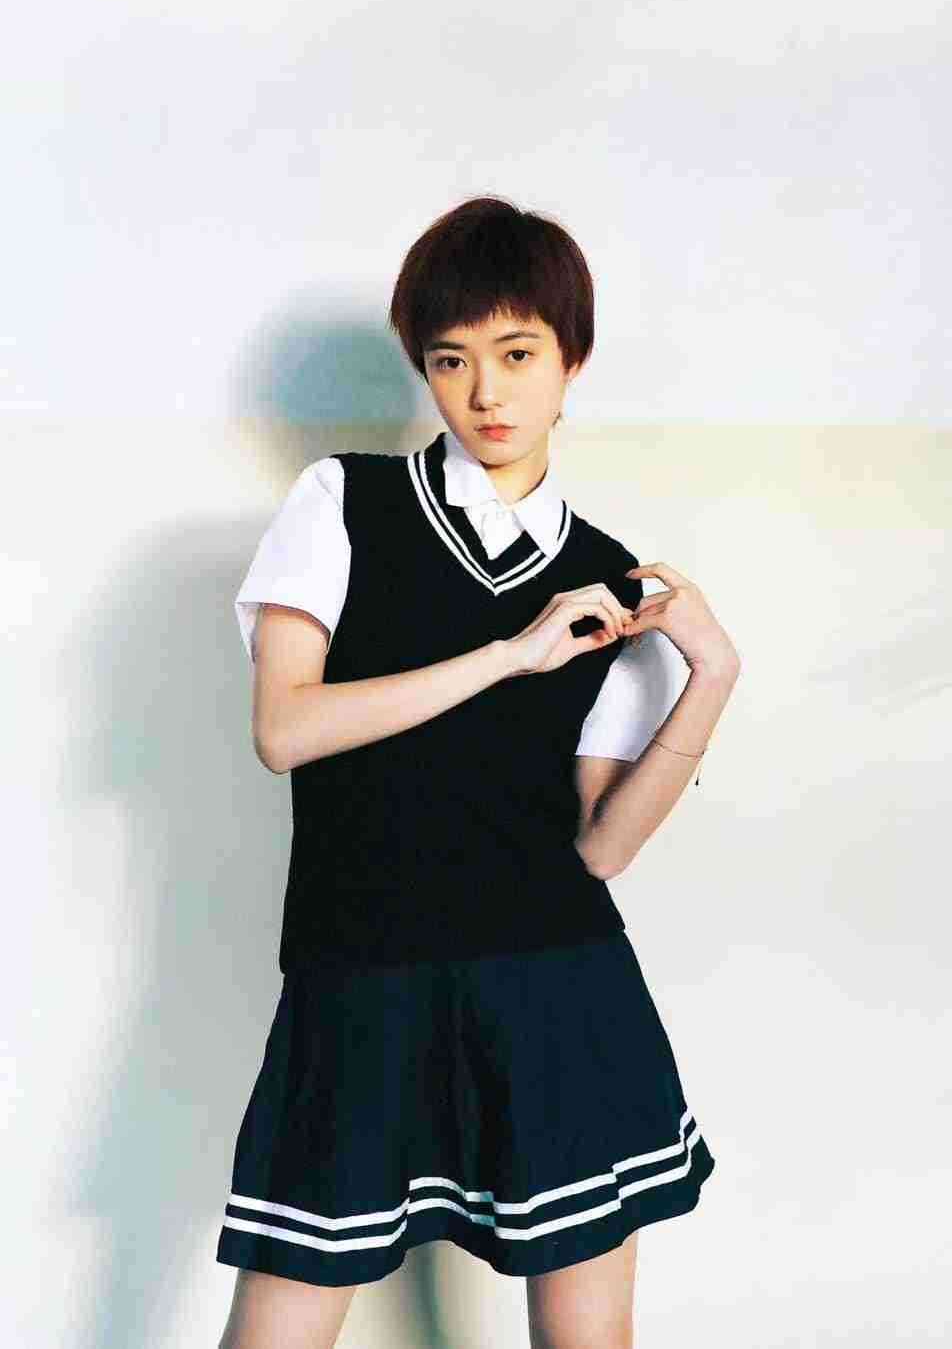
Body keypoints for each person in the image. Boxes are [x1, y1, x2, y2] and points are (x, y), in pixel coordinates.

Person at [215, 196, 741, 1349]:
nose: (485, 392)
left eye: (517, 355)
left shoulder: (605, 575)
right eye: (452, 360)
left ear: (571, 363)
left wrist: (711, 677)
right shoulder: (342, 503)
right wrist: (509, 654)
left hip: (557, 986)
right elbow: (285, 728)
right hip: (363, 975)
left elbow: (600, 847)